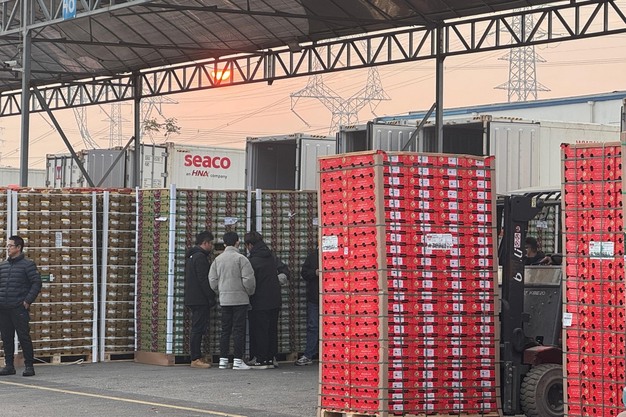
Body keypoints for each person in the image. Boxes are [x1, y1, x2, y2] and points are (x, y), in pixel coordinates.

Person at [209, 231, 255, 370]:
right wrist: (249, 292)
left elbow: (212, 280)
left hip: (225, 300)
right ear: (237, 242)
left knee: (225, 330)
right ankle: (237, 360)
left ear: (224, 244)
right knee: (238, 330)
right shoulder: (242, 259)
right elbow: (248, 280)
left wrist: (220, 291)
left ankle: (223, 360)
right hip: (240, 299)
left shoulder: (218, 260)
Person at [243, 231, 289, 369]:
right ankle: (271, 358)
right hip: (275, 299)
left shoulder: (251, 261)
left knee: (259, 330)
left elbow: (249, 282)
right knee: (272, 330)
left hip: (258, 301)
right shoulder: (272, 257)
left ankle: (260, 359)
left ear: (250, 245)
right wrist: (276, 280)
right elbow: (285, 271)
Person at [0, 235, 42, 377]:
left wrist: (28, 300)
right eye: (7, 246)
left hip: (19, 308)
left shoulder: (28, 265)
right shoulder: (3, 265)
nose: (8, 248)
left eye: (10, 246)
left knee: (23, 336)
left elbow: (37, 283)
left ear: (18, 247)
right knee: (6, 338)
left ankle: (29, 366)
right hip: (3, 308)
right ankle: (9, 366)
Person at [184, 231, 216, 369]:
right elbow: (204, 279)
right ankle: (195, 358)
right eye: (211, 243)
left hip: (192, 297)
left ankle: (197, 356)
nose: (212, 246)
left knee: (197, 327)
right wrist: (211, 296)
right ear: (205, 243)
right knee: (198, 328)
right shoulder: (200, 258)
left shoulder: (192, 256)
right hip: (199, 298)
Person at [295, 247, 319, 366]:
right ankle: (309, 354)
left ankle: (333, 355)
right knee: (313, 326)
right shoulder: (312, 257)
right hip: (315, 298)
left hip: (333, 299)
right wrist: (314, 272)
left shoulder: (337, 257)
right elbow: (304, 273)